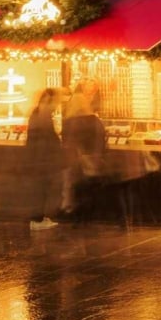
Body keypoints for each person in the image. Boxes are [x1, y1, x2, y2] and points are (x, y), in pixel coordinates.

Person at [62, 81, 108, 226]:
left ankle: (76, 217)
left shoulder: (69, 122)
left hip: (75, 161)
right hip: (92, 160)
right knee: (90, 188)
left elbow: (66, 141)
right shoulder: (95, 121)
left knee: (76, 189)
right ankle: (90, 216)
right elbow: (102, 138)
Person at [25, 88, 62, 231]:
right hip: (41, 159)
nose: (57, 105)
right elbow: (47, 139)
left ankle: (38, 217)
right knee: (40, 189)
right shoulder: (44, 116)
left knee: (40, 189)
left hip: (37, 158)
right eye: (56, 102)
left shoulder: (37, 114)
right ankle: (37, 220)